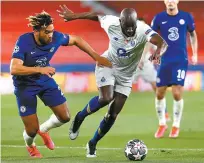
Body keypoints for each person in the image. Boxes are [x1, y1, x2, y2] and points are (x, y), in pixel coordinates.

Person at [57, 5, 168, 157]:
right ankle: (80, 117)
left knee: (112, 114)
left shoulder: (143, 29)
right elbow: (96, 15)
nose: (130, 31)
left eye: (132, 27)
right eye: (126, 27)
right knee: (106, 98)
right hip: (107, 64)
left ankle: (93, 143)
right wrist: (75, 16)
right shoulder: (111, 22)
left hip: (127, 75)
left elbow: (162, 43)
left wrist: (157, 52)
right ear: (120, 22)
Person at [10, 11, 112, 158]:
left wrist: (97, 57)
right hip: (24, 85)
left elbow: (77, 39)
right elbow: (14, 68)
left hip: (43, 80)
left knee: (65, 116)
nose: (51, 35)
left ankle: (44, 130)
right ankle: (30, 145)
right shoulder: (24, 41)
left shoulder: (56, 37)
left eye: (52, 31)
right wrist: (40, 69)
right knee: (31, 130)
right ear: (37, 31)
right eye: (47, 32)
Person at [151, 0, 198, 138]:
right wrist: (154, 51)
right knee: (159, 93)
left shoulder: (186, 17)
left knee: (177, 93)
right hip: (164, 61)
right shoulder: (159, 18)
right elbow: (150, 35)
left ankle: (176, 125)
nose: (170, 2)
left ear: (177, 1)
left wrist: (194, 54)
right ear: (164, 2)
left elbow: (193, 34)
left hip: (180, 60)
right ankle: (162, 123)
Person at [133, 18, 170, 122]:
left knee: (156, 88)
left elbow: (158, 48)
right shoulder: (130, 34)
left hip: (146, 64)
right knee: (121, 90)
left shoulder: (149, 35)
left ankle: (165, 112)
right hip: (132, 65)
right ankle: (112, 114)